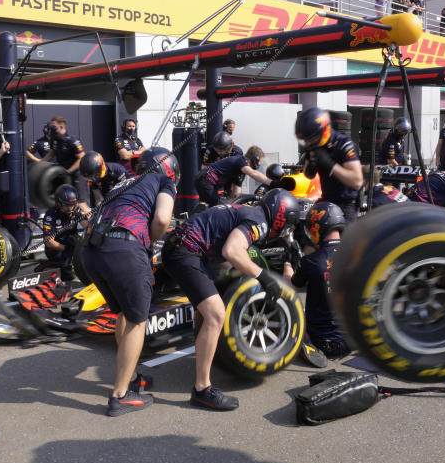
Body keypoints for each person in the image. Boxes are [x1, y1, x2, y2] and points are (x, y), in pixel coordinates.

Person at [163, 189, 301, 411]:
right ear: (281, 215)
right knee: (216, 314)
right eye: (288, 224)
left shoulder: (249, 212)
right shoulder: (259, 221)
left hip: (182, 247)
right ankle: (202, 389)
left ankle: (204, 365)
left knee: (210, 310)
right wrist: (264, 276)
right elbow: (231, 251)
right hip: (186, 251)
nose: (286, 230)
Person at [81, 148, 177, 416]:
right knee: (137, 320)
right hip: (124, 248)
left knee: (123, 312)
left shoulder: (124, 181)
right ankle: (120, 395)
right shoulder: (164, 180)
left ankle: (131, 376)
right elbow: (161, 218)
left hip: (90, 250)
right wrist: (150, 242)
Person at [290, 202, 351, 358]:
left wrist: (287, 270)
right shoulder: (357, 256)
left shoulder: (311, 261)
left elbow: (290, 289)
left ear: (318, 227)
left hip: (323, 344)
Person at [295, 107, 362, 222]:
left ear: (323, 130)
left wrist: (330, 165)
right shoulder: (313, 145)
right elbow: (308, 175)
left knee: (342, 239)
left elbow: (356, 181)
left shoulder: (344, 144)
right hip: (326, 200)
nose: (308, 142)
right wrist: (311, 167)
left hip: (346, 204)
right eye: (306, 139)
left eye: (311, 138)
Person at [195, 136, 271, 206]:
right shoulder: (241, 160)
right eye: (259, 161)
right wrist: (272, 182)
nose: (260, 164)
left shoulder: (240, 170)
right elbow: (253, 174)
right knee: (220, 208)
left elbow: (236, 193)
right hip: (205, 180)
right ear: (255, 158)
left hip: (204, 181)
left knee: (212, 207)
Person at [39, 116, 87, 204]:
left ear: (61, 127)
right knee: (62, 203)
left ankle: (90, 217)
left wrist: (68, 171)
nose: (51, 129)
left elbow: (82, 158)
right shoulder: (55, 140)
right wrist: (39, 164)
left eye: (54, 127)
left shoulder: (72, 140)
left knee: (80, 204)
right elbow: (51, 154)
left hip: (76, 175)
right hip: (63, 176)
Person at [41, 184, 83, 278]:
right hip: (57, 248)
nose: (70, 208)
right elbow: (48, 241)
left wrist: (84, 216)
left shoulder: (76, 210)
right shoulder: (50, 215)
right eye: (67, 205)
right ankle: (51, 266)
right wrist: (66, 249)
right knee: (68, 276)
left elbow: (88, 225)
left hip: (72, 242)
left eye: (73, 204)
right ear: (59, 203)